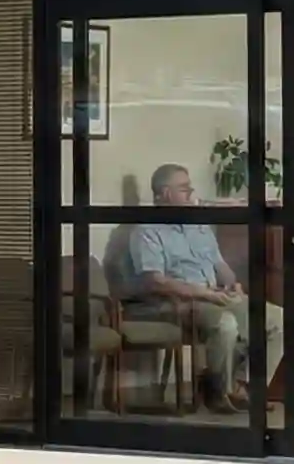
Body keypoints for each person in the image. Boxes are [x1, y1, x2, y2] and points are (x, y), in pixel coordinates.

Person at [119, 163, 283, 414]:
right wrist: (206, 294)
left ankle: (242, 387)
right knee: (225, 324)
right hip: (176, 302)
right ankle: (217, 389)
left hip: (213, 295)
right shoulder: (146, 231)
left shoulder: (199, 225)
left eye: (189, 187)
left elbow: (219, 263)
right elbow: (155, 281)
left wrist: (232, 283)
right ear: (164, 193)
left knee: (277, 320)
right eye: (184, 188)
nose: (191, 192)